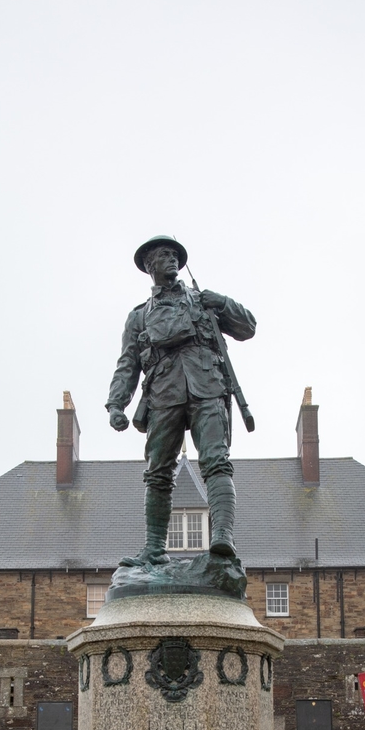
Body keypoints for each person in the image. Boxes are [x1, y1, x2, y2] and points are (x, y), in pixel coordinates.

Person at [106, 236, 256, 567]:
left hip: (207, 385)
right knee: (158, 473)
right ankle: (154, 549)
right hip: (163, 393)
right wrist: (117, 404)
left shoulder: (204, 300)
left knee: (217, 462)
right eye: (163, 256)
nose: (172, 260)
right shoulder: (139, 317)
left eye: (175, 255)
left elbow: (248, 327)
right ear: (150, 266)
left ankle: (222, 539)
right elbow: (128, 363)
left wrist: (223, 303)